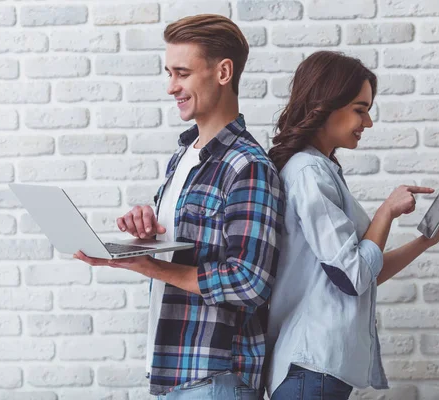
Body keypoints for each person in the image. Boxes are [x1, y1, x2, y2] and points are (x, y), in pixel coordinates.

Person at [73, 14, 284, 400]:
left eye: (182, 73)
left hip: (215, 377)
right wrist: (152, 231)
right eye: (169, 73)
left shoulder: (247, 165)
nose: (172, 87)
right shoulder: (185, 155)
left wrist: (154, 266)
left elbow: (250, 282)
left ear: (223, 72)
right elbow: (196, 243)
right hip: (177, 371)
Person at [264, 51, 439, 400]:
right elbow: (352, 276)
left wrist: (424, 242)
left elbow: (363, 274)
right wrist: (386, 211)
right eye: (360, 109)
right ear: (326, 104)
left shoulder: (322, 170)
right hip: (310, 368)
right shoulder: (308, 172)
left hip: (317, 372)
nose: (367, 123)